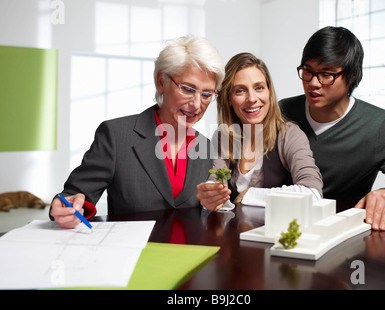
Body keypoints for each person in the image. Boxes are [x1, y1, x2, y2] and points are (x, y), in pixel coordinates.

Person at [50, 36, 225, 229]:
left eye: (207, 94)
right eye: (187, 89)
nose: (197, 104)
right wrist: (70, 206)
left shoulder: (207, 147)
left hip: (188, 255)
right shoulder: (116, 136)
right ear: (161, 82)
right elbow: (74, 195)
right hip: (132, 254)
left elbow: (205, 212)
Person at [279, 26, 385, 231]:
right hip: (280, 226)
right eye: (307, 71)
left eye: (326, 74)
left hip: (344, 236)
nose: (313, 83)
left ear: (352, 76)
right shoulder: (282, 112)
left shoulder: (380, 126)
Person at [196, 52, 323, 211]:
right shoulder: (223, 136)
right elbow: (215, 180)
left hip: (278, 232)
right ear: (228, 99)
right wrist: (211, 193)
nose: (252, 98)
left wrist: (251, 194)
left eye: (259, 88)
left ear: (269, 92)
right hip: (236, 233)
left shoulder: (289, 134)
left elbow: (313, 193)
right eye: (240, 91)